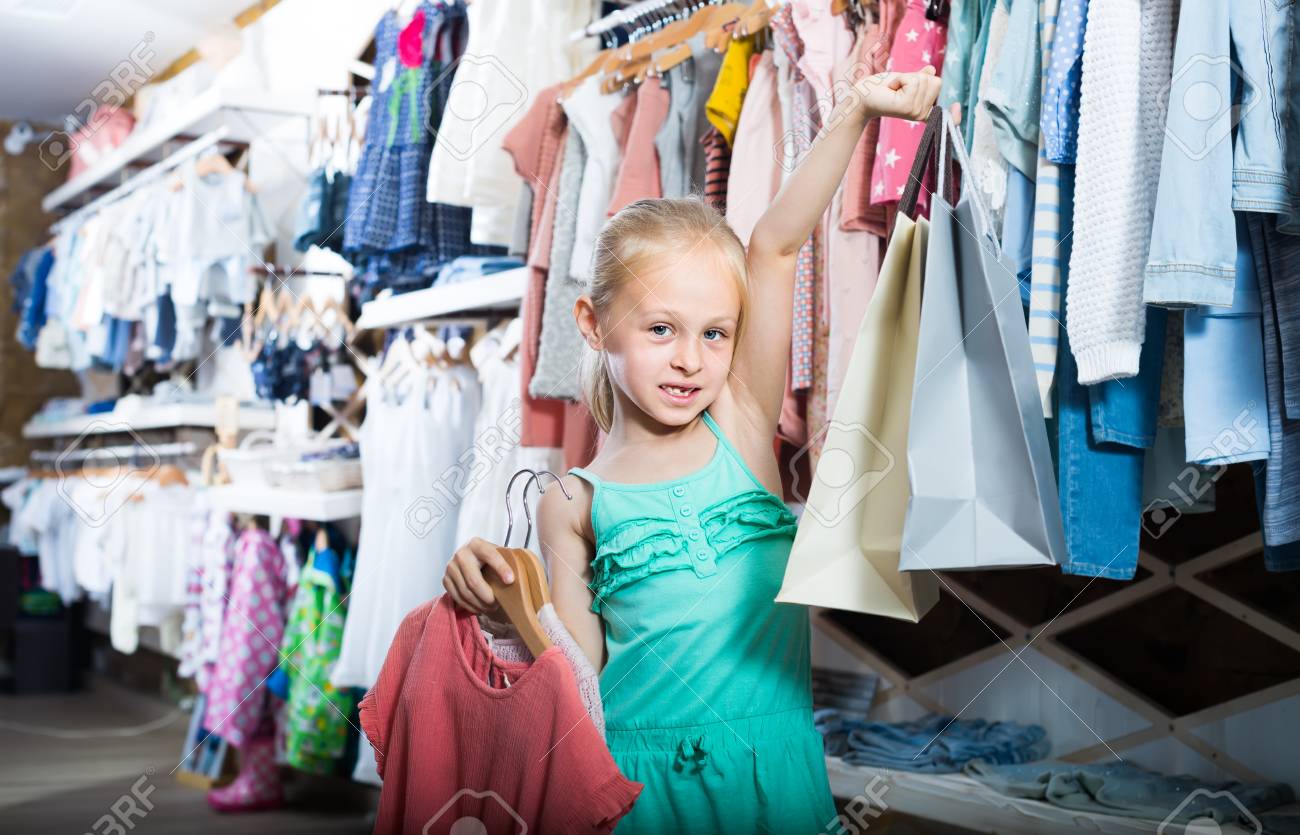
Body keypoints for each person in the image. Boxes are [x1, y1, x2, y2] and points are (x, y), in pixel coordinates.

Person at [444, 66, 942, 833]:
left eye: (714, 333)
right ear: (591, 321)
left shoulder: (742, 426)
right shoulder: (571, 501)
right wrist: (498, 599)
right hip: (635, 788)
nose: (690, 359)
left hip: (771, 774)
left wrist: (855, 109)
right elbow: (573, 675)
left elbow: (774, 247)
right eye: (660, 329)